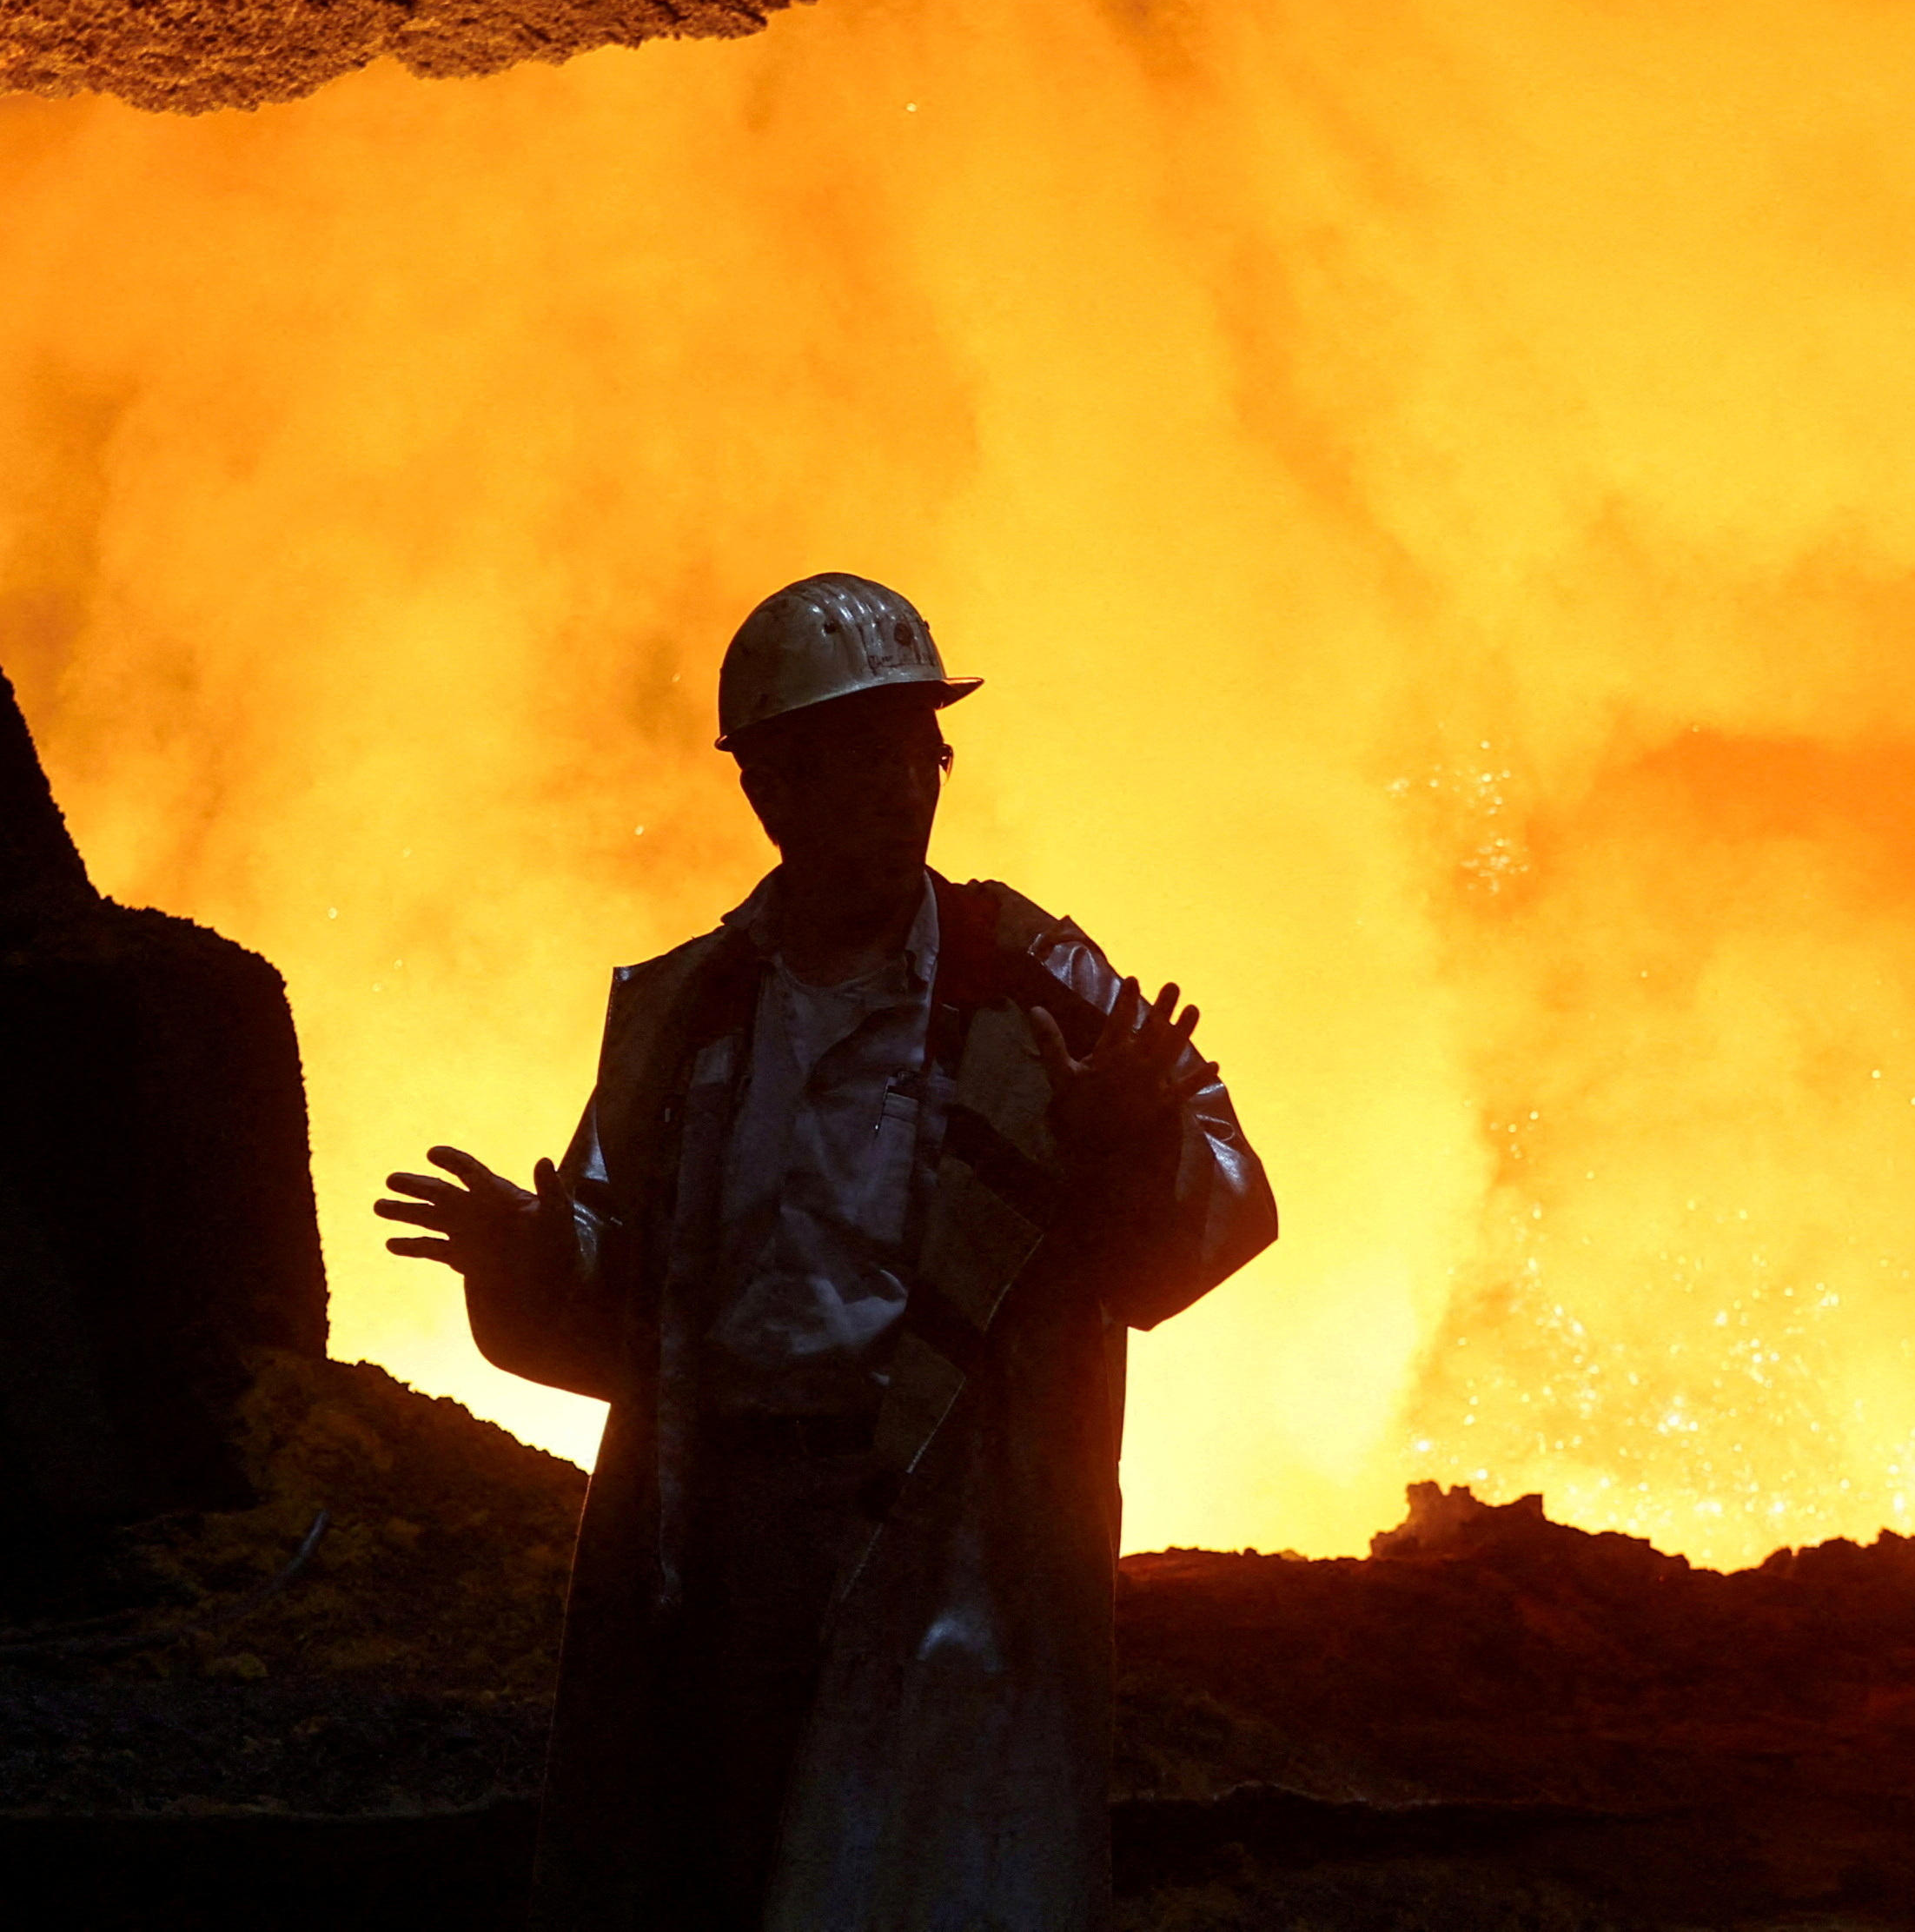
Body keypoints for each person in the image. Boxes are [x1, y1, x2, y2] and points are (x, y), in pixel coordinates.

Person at [378, 573, 1276, 1930]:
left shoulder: (1034, 982)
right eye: (853, 755)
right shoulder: (690, 1010)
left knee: (925, 1870)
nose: (898, 787)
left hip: (953, 1527)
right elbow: (628, 1305)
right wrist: (525, 1254)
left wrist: (1123, 1149)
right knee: (725, 1864)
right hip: (724, 1539)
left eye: (916, 750)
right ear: (770, 788)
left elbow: (1222, 1203)